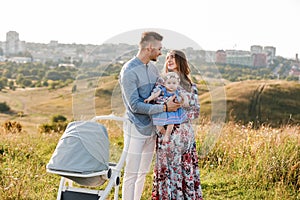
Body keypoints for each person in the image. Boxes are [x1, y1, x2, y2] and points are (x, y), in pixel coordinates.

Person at [119, 31, 181, 200]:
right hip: (135, 128)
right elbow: (134, 106)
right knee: (131, 174)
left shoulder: (152, 69)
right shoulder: (129, 71)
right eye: (159, 49)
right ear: (149, 47)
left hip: (152, 129)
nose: (161, 52)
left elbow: (161, 92)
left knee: (143, 173)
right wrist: (164, 108)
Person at [152, 50, 203, 199]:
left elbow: (196, 111)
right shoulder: (161, 83)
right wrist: (171, 109)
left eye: (173, 57)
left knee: (184, 168)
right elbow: (158, 105)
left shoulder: (191, 85)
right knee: (167, 170)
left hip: (185, 135)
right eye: (167, 58)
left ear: (181, 60)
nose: (169, 60)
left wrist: (180, 111)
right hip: (167, 135)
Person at [144, 72, 188, 143]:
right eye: (169, 83)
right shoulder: (162, 90)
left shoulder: (177, 91)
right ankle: (165, 134)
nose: (171, 85)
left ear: (177, 84)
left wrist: (185, 101)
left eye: (174, 83)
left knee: (171, 123)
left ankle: (167, 135)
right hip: (163, 109)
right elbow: (155, 94)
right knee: (158, 125)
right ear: (164, 84)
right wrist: (149, 98)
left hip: (172, 111)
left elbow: (184, 96)